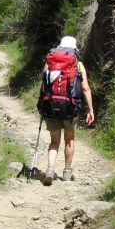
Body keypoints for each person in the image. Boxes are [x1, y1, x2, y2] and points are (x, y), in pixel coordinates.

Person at [42, 36, 95, 185]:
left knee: (54, 141)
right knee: (69, 140)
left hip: (51, 105)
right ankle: (67, 172)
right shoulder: (78, 65)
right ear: (73, 49)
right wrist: (90, 110)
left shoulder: (49, 62)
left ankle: (50, 170)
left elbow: (44, 85)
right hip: (70, 107)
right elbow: (85, 88)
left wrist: (42, 105)